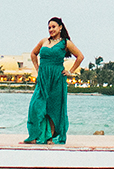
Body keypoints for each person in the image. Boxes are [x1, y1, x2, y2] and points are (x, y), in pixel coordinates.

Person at [23, 16, 84, 144]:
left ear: (60, 27)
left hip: (57, 78)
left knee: (53, 108)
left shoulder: (66, 43)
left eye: (53, 27)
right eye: (49, 27)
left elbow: (80, 56)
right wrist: (37, 68)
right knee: (35, 105)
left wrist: (70, 71)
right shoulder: (44, 41)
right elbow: (33, 54)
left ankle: (50, 137)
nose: (51, 29)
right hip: (43, 78)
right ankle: (34, 135)